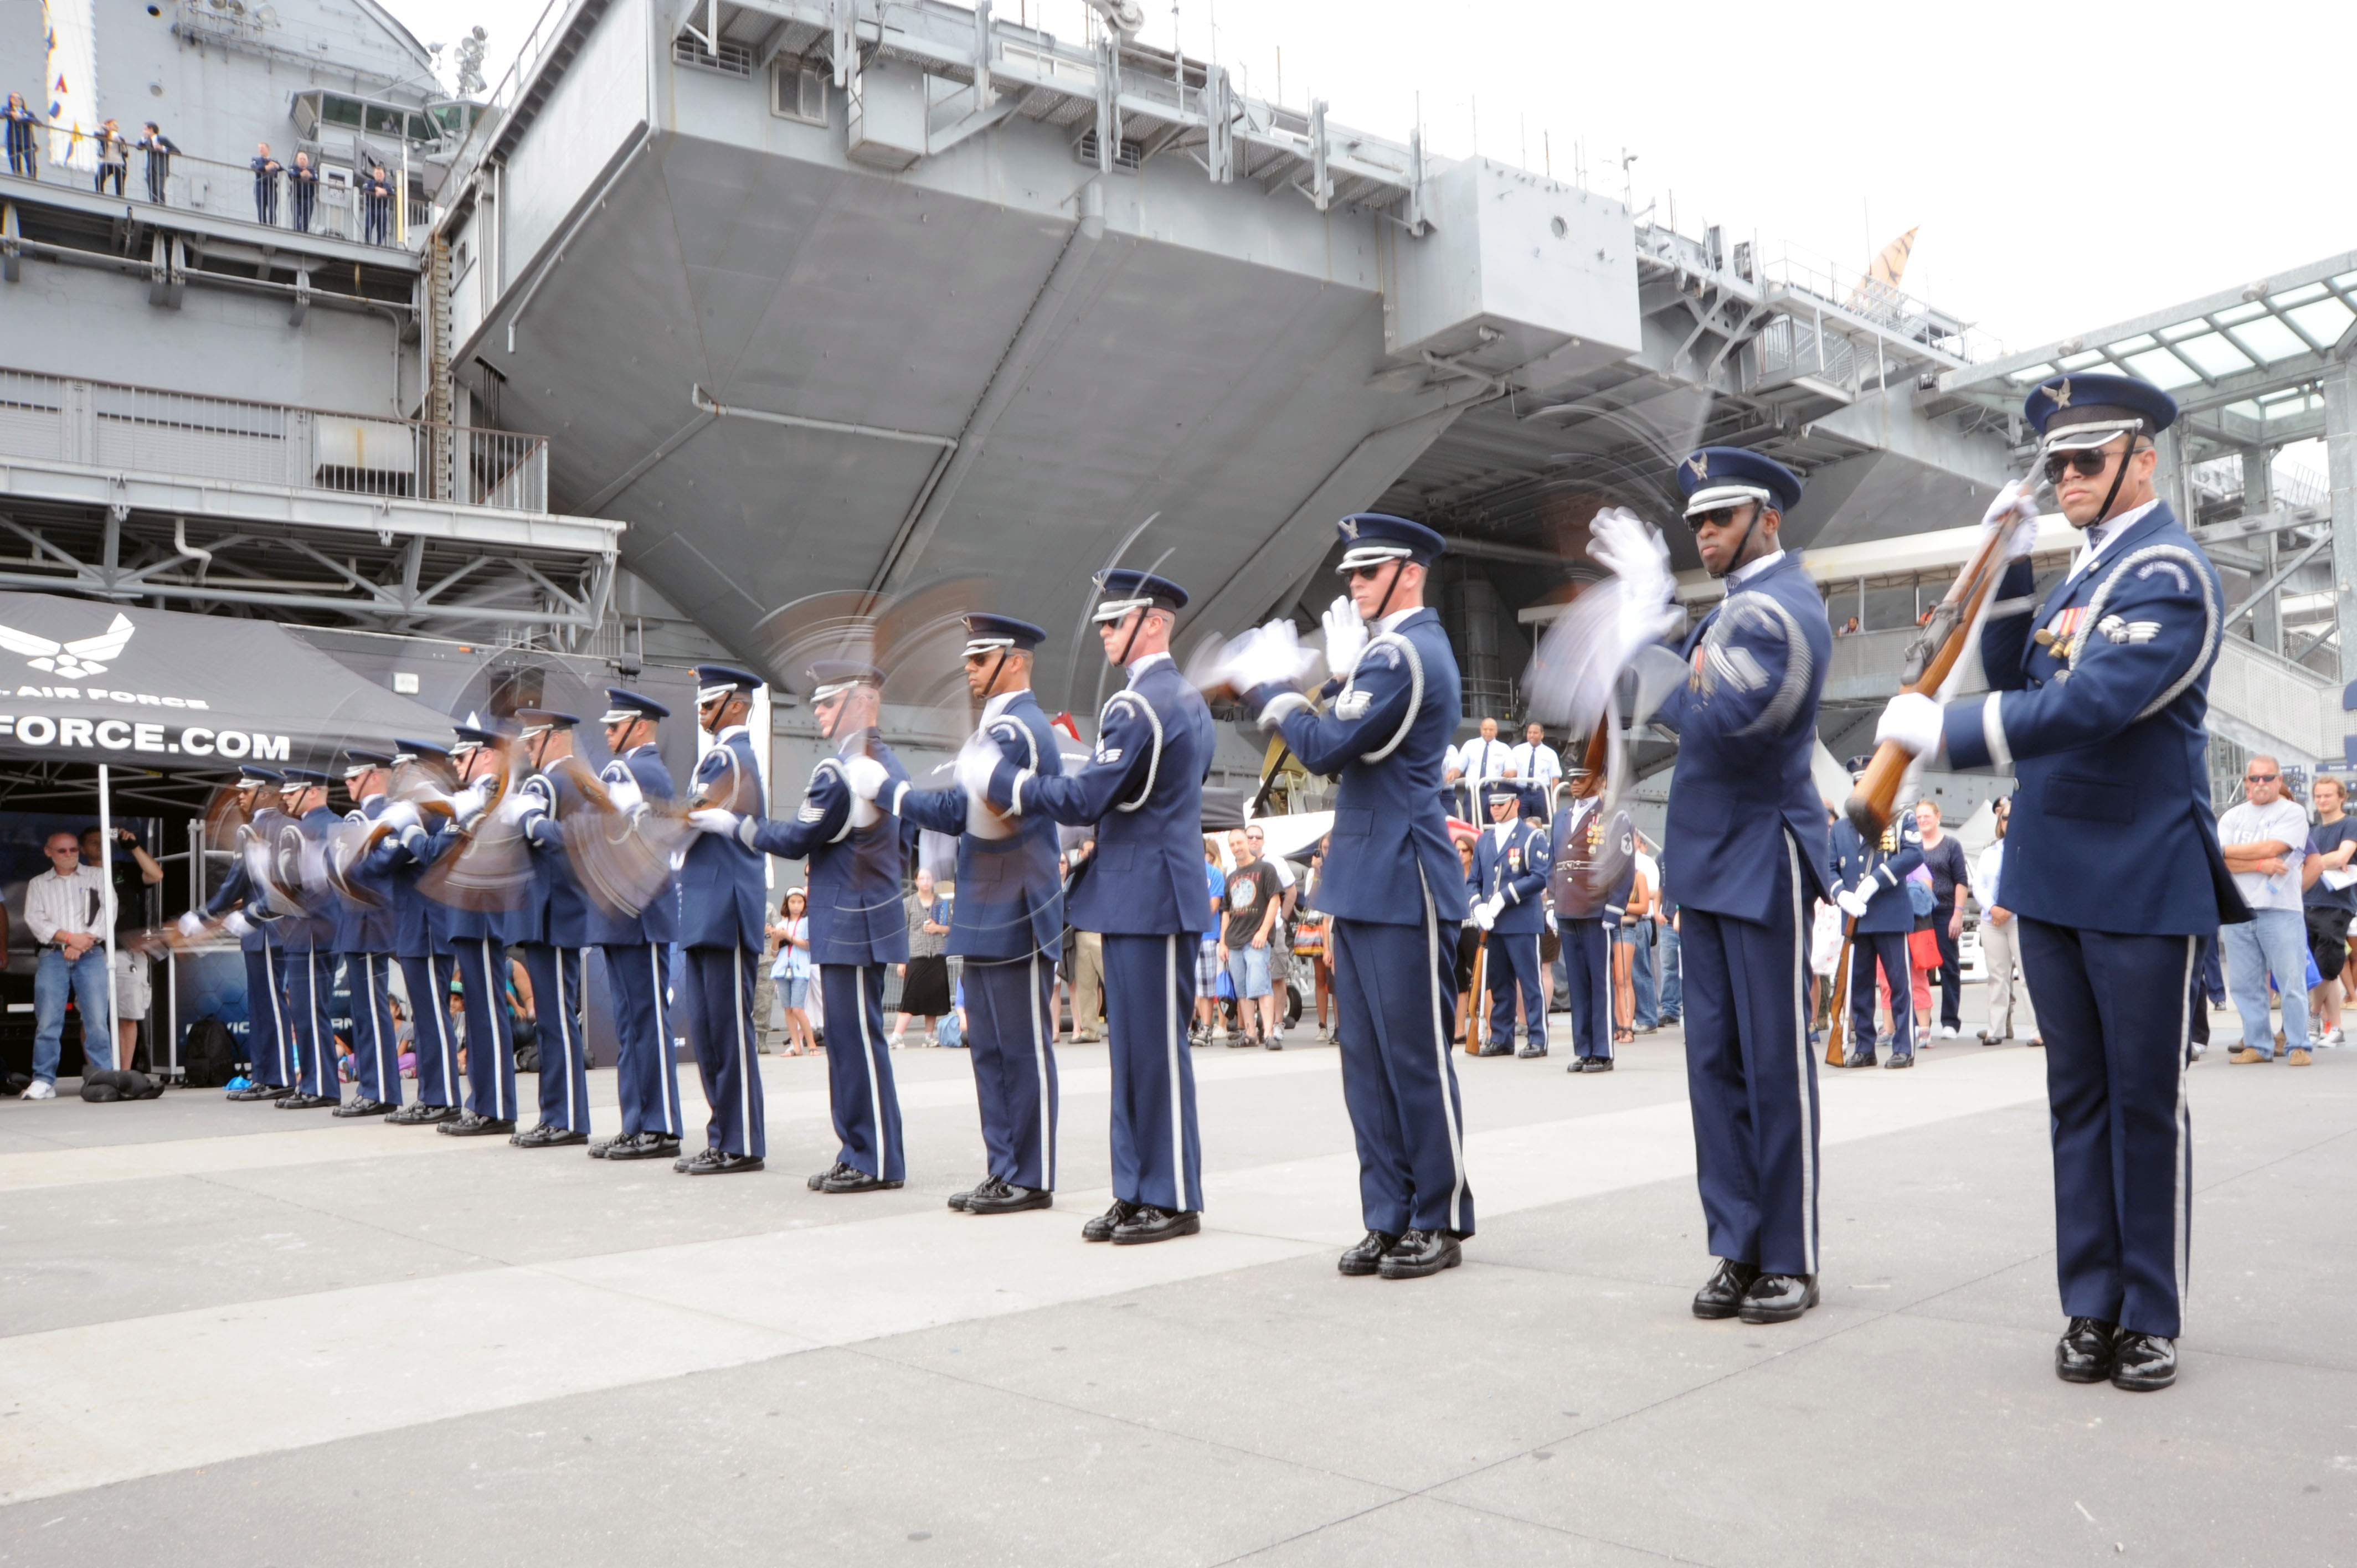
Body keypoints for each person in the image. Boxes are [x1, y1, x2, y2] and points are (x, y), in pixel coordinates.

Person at [1872, 370, 2245, 1392]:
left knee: (2141, 1102)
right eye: (2057, 462)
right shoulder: (2085, 578)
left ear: (2143, 458)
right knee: (2073, 1098)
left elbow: (2094, 704)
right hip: (2052, 872)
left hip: (2136, 875)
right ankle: (2090, 1303)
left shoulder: (2167, 572)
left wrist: (1944, 730)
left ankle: (2150, 1310)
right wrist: (2009, 569)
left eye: (2088, 458)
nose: (2069, 474)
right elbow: (2021, 668)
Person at [1589, 446, 1832, 1325]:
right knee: (1713, 1065)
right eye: (1695, 523)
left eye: (1719, 519)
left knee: (1772, 1064)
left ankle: (1790, 1253)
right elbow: (1658, 696)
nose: (1705, 535)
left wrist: (1652, 628)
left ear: (1767, 517)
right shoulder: (1734, 611)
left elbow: (1720, 722)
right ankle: (1736, 1242)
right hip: (1711, 854)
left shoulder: (1781, 609)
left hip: (1762, 854)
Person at [1223, 511, 1473, 1281]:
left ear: (1410, 572)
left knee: (1414, 1058)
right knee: (1364, 1063)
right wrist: (1335, 678)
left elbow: (1329, 748)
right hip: (1365, 878)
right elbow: (1349, 731)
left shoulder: (1408, 654)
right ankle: (1387, 1214)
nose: (1355, 584)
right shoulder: (1381, 657)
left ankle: (1437, 1214)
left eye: (1369, 572)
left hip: (1405, 876)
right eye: (1352, 575)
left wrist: (1279, 689)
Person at [975, 568, 1216, 1245]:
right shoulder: (1180, 700)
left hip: (1152, 895)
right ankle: (1137, 1191)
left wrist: (1009, 781)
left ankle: (1168, 1197)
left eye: (1117, 622)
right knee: (1134, 1054)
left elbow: (1087, 801)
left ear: (1155, 622)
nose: (1105, 633)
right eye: (1105, 623)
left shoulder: (1138, 706)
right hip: (1146, 891)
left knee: (1154, 1056)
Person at [704, 658, 913, 1195]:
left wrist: (738, 825)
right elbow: (906, 845)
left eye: (828, 701)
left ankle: (873, 1158)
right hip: (865, 912)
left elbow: (797, 839)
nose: (818, 710)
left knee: (855, 1043)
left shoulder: (838, 770)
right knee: (849, 1041)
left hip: (848, 918)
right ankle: (861, 1152)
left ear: (858, 704)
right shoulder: (886, 763)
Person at [879, 615, 1067, 1215]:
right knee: (987, 1046)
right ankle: (1003, 1167)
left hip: (1014, 903)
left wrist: (897, 795)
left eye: (979, 658)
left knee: (1020, 1048)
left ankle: (1029, 1175)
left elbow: (964, 809)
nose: (967, 668)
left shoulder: (1019, 730)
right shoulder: (996, 727)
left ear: (1013, 660)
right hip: (989, 902)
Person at [574, 690, 685, 1160]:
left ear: (639, 726)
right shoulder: (642, 771)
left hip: (634, 913)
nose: (607, 732)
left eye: (615, 725)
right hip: (630, 912)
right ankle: (638, 1121)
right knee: (632, 1024)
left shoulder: (636, 770)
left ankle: (656, 1126)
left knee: (644, 1023)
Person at [671, 667, 771, 1174]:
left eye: (709, 703)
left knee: (728, 1033)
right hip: (708, 905)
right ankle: (724, 1136)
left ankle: (742, 1141)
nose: (701, 711)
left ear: (735, 705)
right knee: (711, 1033)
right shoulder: (719, 756)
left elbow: (687, 816)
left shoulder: (729, 756)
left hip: (725, 907)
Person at [413, 722, 523, 1138]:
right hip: (466, 910)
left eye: (463, 756)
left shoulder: (492, 793)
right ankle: (483, 1102)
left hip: (481, 911)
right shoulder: (473, 798)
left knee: (488, 1013)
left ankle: (495, 1107)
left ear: (488, 756)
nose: (456, 764)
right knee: (478, 1012)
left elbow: (446, 846)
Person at [500, 711, 596, 1146]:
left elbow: (567, 841)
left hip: (551, 914)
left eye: (533, 740)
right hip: (555, 912)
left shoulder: (550, 784)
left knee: (556, 1020)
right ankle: (558, 1114)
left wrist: (525, 821)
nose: (527, 749)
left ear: (553, 739)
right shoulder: (577, 781)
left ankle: (566, 1118)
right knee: (555, 1019)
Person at [184, 767, 297, 1099]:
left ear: (265, 793)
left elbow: (239, 879)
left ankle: (276, 1078)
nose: (240, 796)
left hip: (264, 929)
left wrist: (204, 914)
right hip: (279, 928)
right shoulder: (290, 827)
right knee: (268, 1005)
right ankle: (267, 1075)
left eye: (247, 791)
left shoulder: (255, 830)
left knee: (269, 1007)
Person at [374, 742, 462, 1125]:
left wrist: (399, 833)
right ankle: (432, 1094)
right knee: (426, 1015)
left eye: (405, 770)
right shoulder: (419, 810)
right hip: (417, 925)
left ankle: (440, 1097)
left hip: (429, 927)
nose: (398, 779)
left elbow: (396, 858)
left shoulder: (434, 812)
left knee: (432, 1017)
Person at [1826, 755, 1924, 1068]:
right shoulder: (1840, 828)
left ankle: (1904, 1047)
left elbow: (1914, 854)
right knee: (1860, 987)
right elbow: (1828, 867)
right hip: (1856, 919)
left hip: (1889, 914)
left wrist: (1876, 880)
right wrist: (1840, 894)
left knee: (1898, 984)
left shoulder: (1898, 819)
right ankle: (1865, 1047)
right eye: (1858, 786)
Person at [2215, 754, 2313, 1065]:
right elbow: (2219, 860)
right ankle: (2258, 1045)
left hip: (2281, 908)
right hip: (2238, 910)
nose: (2261, 784)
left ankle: (2298, 1044)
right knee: (2245, 985)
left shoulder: (2293, 812)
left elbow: (2274, 847)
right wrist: (2259, 864)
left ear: (2279, 780)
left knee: (2291, 981)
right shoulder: (2232, 817)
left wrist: (2234, 854)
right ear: (2246, 782)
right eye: (2255, 778)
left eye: (2268, 778)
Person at [325, 751, 402, 1118]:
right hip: (359, 921)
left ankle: (381, 1089)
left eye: (353, 779)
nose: (347, 785)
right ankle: (373, 1085)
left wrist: (353, 855)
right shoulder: (365, 817)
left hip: (371, 920)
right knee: (364, 1011)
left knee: (373, 1012)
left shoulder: (384, 814)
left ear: (374, 776)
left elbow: (383, 862)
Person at [1549, 761, 1634, 1071]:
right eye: (1572, 778)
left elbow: (1624, 864)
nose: (1574, 783)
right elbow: (1553, 864)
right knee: (1578, 983)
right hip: (1568, 909)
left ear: (1599, 781)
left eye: (1582, 777)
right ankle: (1584, 1049)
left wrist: (1614, 908)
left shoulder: (1613, 817)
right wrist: (1551, 903)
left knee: (1600, 981)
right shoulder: (1561, 818)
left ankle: (1603, 1050)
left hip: (1596, 910)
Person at [21, 831, 115, 1097]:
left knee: (97, 1020)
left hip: (91, 954)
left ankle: (101, 1076)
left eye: (74, 849)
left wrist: (81, 944)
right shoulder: (38, 884)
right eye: (62, 851)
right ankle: (44, 1079)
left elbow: (109, 913)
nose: (70, 854)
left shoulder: (98, 877)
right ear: (48, 852)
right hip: (53, 955)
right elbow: (35, 920)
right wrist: (72, 938)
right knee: (49, 1021)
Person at [272, 770, 344, 1110]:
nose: (285, 797)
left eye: (293, 791)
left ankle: (321, 1086)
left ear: (314, 793)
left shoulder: (320, 828)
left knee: (311, 1009)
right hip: (306, 929)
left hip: (314, 928)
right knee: (305, 1009)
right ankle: (314, 1082)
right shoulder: (322, 827)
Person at [1470, 783, 1550, 1058]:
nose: (1495, 809)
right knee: (1500, 983)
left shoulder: (1531, 837)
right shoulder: (1484, 840)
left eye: (1501, 804)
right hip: (1494, 924)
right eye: (1492, 805)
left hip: (1522, 921)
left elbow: (1540, 877)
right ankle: (1502, 1037)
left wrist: (1505, 896)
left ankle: (1538, 1037)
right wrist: (1477, 906)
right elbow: (1473, 882)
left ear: (1515, 804)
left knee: (1530, 983)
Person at [80, 823, 161, 1067]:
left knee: (128, 1016)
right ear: (82, 849)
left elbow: (156, 875)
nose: (98, 845)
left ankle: (124, 1072)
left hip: (126, 952)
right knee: (91, 1018)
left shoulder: (124, 869)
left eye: (102, 840)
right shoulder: (77, 875)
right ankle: (98, 1072)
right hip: (90, 953)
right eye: (93, 841)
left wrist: (133, 846)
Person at [1970, 796, 2036, 1046]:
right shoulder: (1990, 852)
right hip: (1992, 920)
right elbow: (1979, 885)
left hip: (2020, 919)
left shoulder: (2032, 850)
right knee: (1997, 976)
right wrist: (1993, 908)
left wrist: (2009, 907)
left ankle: (2037, 1031)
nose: (2008, 821)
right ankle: (1995, 1029)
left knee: (2028, 978)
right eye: (2004, 817)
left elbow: (2031, 883)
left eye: (2013, 816)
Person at [1218, 827, 1283, 1048]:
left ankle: (1270, 1033)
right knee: (1243, 991)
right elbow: (1226, 911)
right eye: (1232, 845)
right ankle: (1250, 1033)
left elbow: (1275, 900)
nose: (1237, 848)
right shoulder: (1232, 877)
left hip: (1256, 940)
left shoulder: (1265, 869)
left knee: (1261, 986)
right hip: (1235, 940)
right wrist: (1223, 942)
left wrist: (1264, 932)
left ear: (1248, 842)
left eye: (1239, 843)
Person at [2304, 774, 2356, 1049]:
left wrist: (2315, 864)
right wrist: (2325, 863)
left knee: (2327, 964)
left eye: (2328, 795)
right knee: (2324, 969)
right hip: (2308, 901)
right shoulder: (2312, 831)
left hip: (2336, 904)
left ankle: (2313, 1016)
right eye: (2319, 796)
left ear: (2341, 798)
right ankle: (2335, 1027)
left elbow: (2342, 856)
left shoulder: (2350, 824)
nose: (2322, 800)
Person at [1912, 800, 1969, 1039]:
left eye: (1927, 816)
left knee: (1949, 966)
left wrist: (1958, 913)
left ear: (1938, 817)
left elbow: (1961, 881)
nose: (1923, 820)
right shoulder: (1912, 846)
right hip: (1918, 912)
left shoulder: (1951, 845)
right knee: (1918, 967)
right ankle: (1920, 1020)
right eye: (1919, 817)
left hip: (1945, 910)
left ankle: (1950, 1021)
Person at [894, 866, 951, 1045]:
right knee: (910, 995)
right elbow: (902, 932)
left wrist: (938, 929)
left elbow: (950, 928)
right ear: (917, 881)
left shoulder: (941, 903)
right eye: (922, 878)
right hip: (915, 954)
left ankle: (929, 1036)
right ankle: (898, 1035)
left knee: (933, 996)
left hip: (937, 955)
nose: (926, 882)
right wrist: (901, 960)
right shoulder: (908, 903)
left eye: (929, 878)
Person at [772, 890, 815, 1056]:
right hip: (782, 969)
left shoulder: (807, 923)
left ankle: (811, 1044)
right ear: (787, 904)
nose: (796, 906)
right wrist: (777, 938)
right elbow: (774, 952)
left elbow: (808, 945)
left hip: (800, 969)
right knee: (788, 1009)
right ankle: (796, 1046)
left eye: (799, 902)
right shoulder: (781, 924)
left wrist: (788, 937)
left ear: (804, 904)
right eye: (793, 902)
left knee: (798, 1008)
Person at [1193, 839, 1225, 1045]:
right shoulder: (1182, 871)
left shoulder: (1213, 874)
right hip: (1184, 935)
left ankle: (1206, 1027)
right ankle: (1189, 1027)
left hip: (1206, 935)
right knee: (1187, 986)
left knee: (1206, 987)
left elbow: (1213, 906)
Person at [1509, 722, 1561, 786]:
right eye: (1530, 733)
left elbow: (1555, 778)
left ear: (1542, 735)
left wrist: (1554, 796)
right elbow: (1510, 773)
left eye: (1535, 733)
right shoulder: (1517, 750)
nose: (1532, 735)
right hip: (1521, 791)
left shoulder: (1551, 754)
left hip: (1541, 791)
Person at [137, 123, 177, 204]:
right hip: (150, 169)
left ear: (151, 129)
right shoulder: (147, 141)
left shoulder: (163, 139)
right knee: (152, 189)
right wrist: (143, 139)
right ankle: (154, 205)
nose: (144, 131)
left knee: (159, 189)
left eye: (145, 129)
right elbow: (139, 147)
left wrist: (162, 148)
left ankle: (162, 206)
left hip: (161, 168)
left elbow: (177, 151)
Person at [249, 143, 282, 226]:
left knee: (272, 209)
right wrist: (266, 168)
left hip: (271, 187)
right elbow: (255, 167)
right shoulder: (256, 160)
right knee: (261, 209)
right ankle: (263, 226)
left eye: (262, 148)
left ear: (268, 149)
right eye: (259, 148)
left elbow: (283, 170)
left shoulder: (274, 161)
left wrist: (276, 166)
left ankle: (272, 226)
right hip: (260, 186)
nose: (260, 150)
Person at [95, 120, 127, 196]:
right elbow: (96, 135)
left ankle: (120, 199)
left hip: (119, 163)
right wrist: (104, 128)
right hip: (107, 162)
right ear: (108, 125)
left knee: (119, 184)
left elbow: (126, 153)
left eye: (117, 125)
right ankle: (100, 195)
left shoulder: (120, 138)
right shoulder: (104, 136)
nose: (117, 126)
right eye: (114, 124)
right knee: (99, 178)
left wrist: (121, 144)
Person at [363, 163, 393, 244]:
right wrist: (376, 189)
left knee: (382, 230)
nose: (379, 175)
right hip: (371, 208)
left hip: (382, 209)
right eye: (377, 173)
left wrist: (384, 192)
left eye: (381, 174)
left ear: (384, 175)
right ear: (374, 174)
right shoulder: (369, 182)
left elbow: (393, 193)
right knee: (368, 227)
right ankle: (367, 242)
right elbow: (365, 189)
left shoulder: (387, 185)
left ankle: (379, 244)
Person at [288, 151, 317, 233]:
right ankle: (296, 234)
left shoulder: (312, 170)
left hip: (308, 200)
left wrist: (310, 175)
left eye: (304, 159)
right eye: (301, 159)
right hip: (296, 199)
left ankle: (303, 235)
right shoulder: (293, 167)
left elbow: (316, 178)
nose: (303, 161)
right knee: (296, 219)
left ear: (307, 161)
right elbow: (291, 174)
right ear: (297, 160)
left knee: (306, 222)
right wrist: (302, 174)